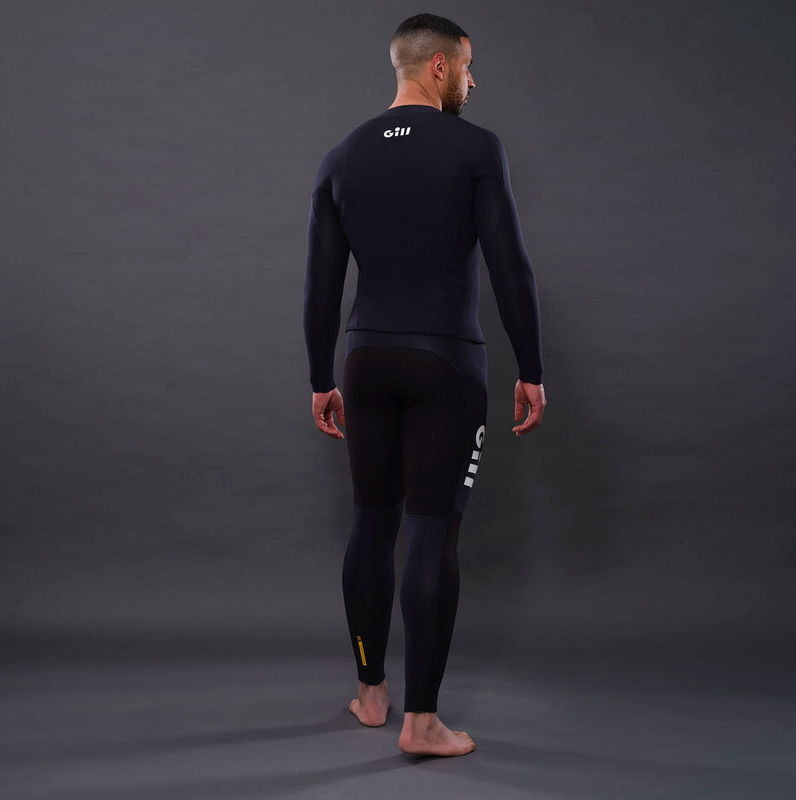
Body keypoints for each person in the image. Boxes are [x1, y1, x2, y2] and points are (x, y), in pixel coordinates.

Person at [303, 12, 546, 757]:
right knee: (432, 530)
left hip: (365, 361)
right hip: (445, 361)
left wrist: (320, 378)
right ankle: (423, 722)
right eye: (468, 68)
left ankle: (370, 693)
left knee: (371, 521)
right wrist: (531, 368)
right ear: (439, 67)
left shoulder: (342, 156)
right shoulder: (475, 147)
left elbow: (321, 286)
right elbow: (509, 265)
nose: (473, 82)